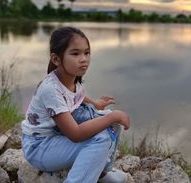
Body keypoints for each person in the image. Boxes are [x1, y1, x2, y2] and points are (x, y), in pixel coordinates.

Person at [21, 26, 131, 183]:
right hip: (40, 148)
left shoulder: (72, 78)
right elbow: (75, 134)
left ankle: (102, 172)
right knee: (102, 136)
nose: (84, 59)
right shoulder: (50, 89)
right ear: (56, 59)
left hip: (57, 135)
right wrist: (114, 115)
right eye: (75, 53)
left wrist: (96, 104)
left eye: (87, 53)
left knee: (111, 124)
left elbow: (75, 96)